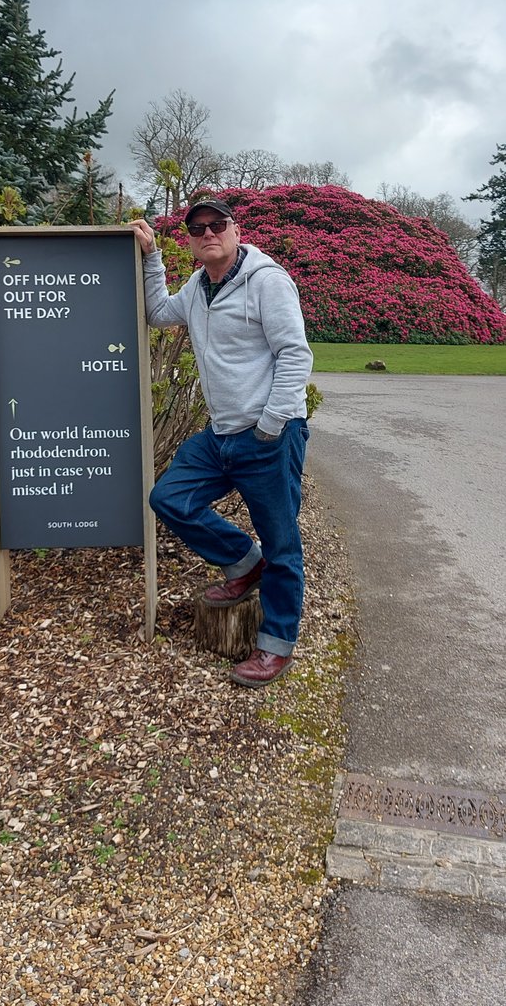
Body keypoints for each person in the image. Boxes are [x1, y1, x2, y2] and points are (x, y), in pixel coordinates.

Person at [129, 198, 313, 688]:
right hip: (221, 435)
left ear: (234, 230)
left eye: (217, 225)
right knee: (169, 498)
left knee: (282, 543)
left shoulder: (267, 281)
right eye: (198, 229)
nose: (208, 233)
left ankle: (275, 645)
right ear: (190, 241)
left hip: (270, 435)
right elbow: (156, 314)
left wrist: (271, 425)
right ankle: (245, 564)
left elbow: (295, 354)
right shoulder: (197, 286)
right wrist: (150, 258)